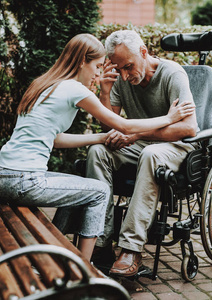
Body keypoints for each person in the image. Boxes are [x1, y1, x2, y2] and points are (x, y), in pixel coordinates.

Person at [0, 33, 194, 261]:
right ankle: (84, 266)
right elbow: (121, 126)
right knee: (98, 190)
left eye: (102, 67)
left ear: (144, 52)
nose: (99, 74)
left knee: (78, 189)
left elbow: (56, 139)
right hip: (24, 180)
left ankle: (59, 255)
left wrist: (100, 138)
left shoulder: (44, 84)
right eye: (98, 66)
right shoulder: (75, 89)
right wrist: (168, 118)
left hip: (1, 174)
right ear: (81, 63)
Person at [86, 30, 198, 275]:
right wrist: (105, 92)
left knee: (152, 155)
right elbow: (109, 125)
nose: (125, 76)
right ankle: (101, 240)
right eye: (119, 69)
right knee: (97, 151)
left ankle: (131, 248)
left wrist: (136, 134)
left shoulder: (172, 74)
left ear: (144, 52)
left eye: (128, 66)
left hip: (177, 147)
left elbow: (189, 127)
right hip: (142, 143)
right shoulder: (120, 78)